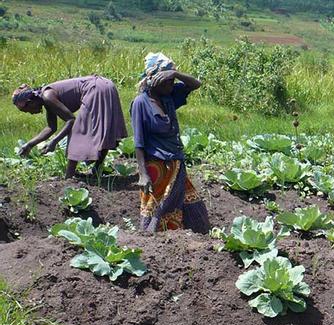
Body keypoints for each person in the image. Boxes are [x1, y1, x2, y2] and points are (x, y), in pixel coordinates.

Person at [131, 53, 210, 233]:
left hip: (176, 163)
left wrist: (175, 74)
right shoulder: (141, 103)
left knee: (193, 208)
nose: (171, 85)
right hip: (156, 168)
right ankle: (152, 241)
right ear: (153, 81)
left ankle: (187, 238)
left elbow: (196, 84)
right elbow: (139, 142)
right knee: (157, 211)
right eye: (167, 81)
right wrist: (143, 174)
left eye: (172, 81)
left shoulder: (169, 97)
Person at [12, 76, 127, 179]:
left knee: (78, 131)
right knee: (103, 130)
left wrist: (54, 142)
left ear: (30, 102)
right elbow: (51, 127)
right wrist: (29, 145)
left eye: (26, 110)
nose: (30, 113)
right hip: (106, 85)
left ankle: (69, 177)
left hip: (95, 89)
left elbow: (71, 120)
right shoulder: (46, 99)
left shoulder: (47, 96)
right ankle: (96, 170)